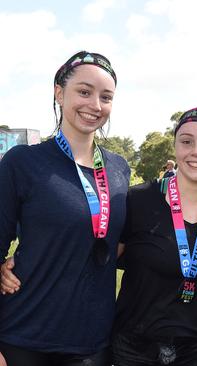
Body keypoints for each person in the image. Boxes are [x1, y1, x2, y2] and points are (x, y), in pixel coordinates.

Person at [0, 51, 130, 365]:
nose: (95, 105)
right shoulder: (23, 162)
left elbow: (122, 244)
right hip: (24, 335)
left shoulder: (118, 169)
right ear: (59, 93)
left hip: (91, 342)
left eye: (106, 97)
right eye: (84, 92)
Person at [111, 107, 197, 365]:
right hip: (133, 348)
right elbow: (98, 263)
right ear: (175, 147)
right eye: (186, 141)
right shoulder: (137, 201)